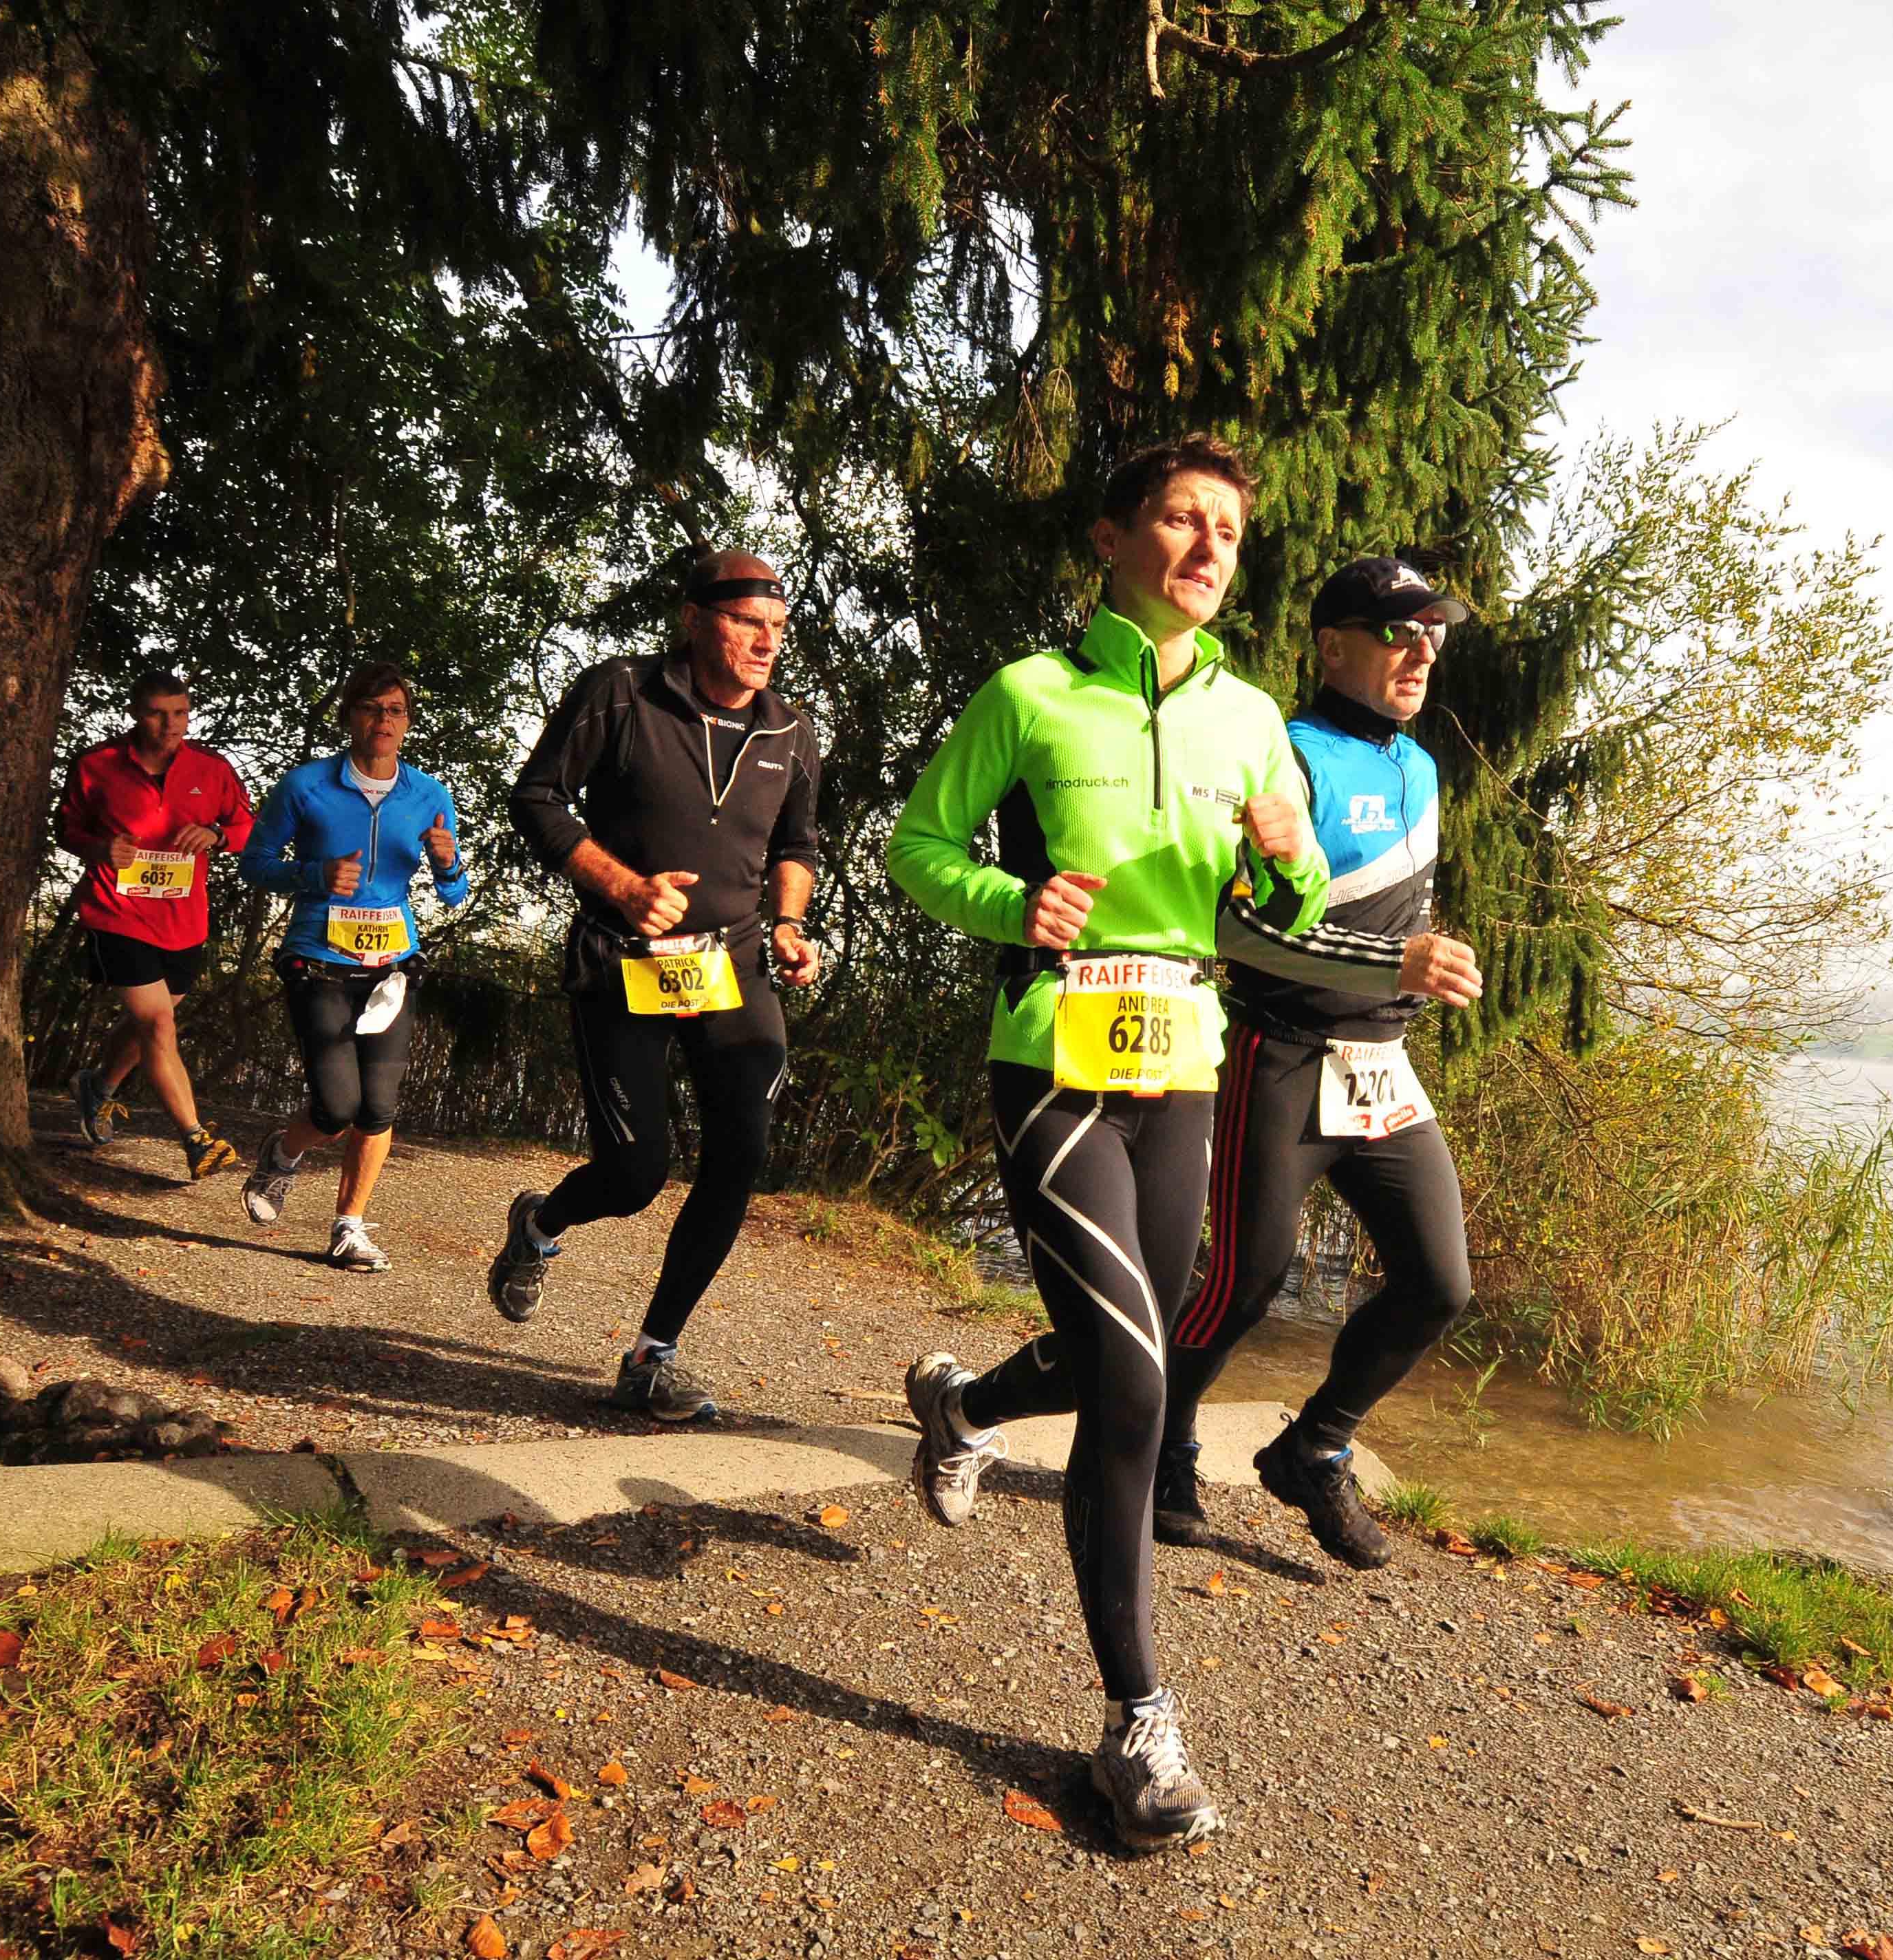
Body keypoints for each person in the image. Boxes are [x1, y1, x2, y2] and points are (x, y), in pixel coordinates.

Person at [888, 434, 1328, 1851]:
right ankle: (1137, 1722)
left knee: (1118, 1344)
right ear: (1112, 537)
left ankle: (957, 1407)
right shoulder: (1030, 693)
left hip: (1180, 1054)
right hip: (1054, 1054)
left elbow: (1292, 892)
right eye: (1181, 520)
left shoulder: (1254, 719)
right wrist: (1015, 903)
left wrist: (1283, 851)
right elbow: (913, 847)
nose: (1208, 548)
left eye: (1228, 533)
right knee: (1133, 1371)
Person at [903, 555, 1484, 1577]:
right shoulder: (1283, 743)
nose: (1422, 649)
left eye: (1435, 631)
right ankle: (1160, 1442)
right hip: (1276, 1047)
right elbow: (1231, 925)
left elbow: (1351, 899)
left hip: (1381, 1060)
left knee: (1440, 1281)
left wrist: (1400, 972)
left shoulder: (1423, 766)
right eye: (1400, 631)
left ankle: (1314, 1447)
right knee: (1242, 1282)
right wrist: (1386, 958)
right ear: (1333, 644)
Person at [491, 550, 824, 1423]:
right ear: (694, 620)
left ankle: (652, 1355)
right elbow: (538, 798)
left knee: (740, 1154)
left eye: (778, 628)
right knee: (637, 1172)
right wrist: (624, 887)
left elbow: (797, 846)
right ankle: (539, 1224)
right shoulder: (621, 693)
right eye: (748, 622)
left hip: (734, 964)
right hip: (620, 960)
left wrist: (789, 924)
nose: (766, 642)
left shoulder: (791, 730)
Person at [233, 662, 470, 1270]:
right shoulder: (307, 786)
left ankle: (348, 1226)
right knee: (337, 1107)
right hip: (318, 959)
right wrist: (312, 875)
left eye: (394, 710)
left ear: (408, 722)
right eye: (370, 708)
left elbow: (453, 892)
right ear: (349, 716)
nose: (382, 720)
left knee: (379, 1107)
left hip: (392, 963)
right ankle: (282, 1157)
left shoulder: (428, 794)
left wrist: (446, 865)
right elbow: (253, 862)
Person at [55, 672, 255, 1178]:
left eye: (180, 714)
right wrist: (100, 848)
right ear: (133, 712)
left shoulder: (211, 769)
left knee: (150, 1021)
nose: (170, 725)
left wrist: (216, 835)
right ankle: (195, 1138)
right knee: (159, 1023)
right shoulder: (97, 766)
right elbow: (67, 828)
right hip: (116, 912)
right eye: (156, 713)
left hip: (184, 921)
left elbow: (247, 826)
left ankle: (98, 1086)